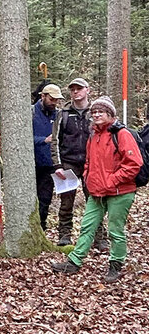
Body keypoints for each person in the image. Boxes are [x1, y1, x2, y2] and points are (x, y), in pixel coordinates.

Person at [51, 96, 142, 282]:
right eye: (94, 112)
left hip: (120, 192)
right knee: (87, 226)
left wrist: (112, 180)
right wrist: (88, 177)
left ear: (110, 114)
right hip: (97, 191)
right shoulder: (94, 135)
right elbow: (89, 162)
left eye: (101, 111)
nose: (97, 115)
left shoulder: (122, 134)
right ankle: (74, 261)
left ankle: (115, 265)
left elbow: (134, 164)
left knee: (115, 230)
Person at [51, 78, 108, 250]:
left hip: (92, 165)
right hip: (68, 163)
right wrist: (58, 165)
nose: (76, 92)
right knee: (66, 202)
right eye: (73, 89)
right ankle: (64, 235)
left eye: (79, 89)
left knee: (95, 200)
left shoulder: (96, 113)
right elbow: (55, 141)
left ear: (87, 90)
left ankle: (99, 238)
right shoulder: (64, 114)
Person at [32, 84, 62, 230]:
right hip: (31, 163)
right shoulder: (31, 113)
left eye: (57, 100)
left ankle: (41, 227)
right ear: (42, 96)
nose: (54, 103)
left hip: (49, 164)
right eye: (52, 99)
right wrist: (43, 140)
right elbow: (21, 139)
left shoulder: (58, 115)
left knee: (45, 198)